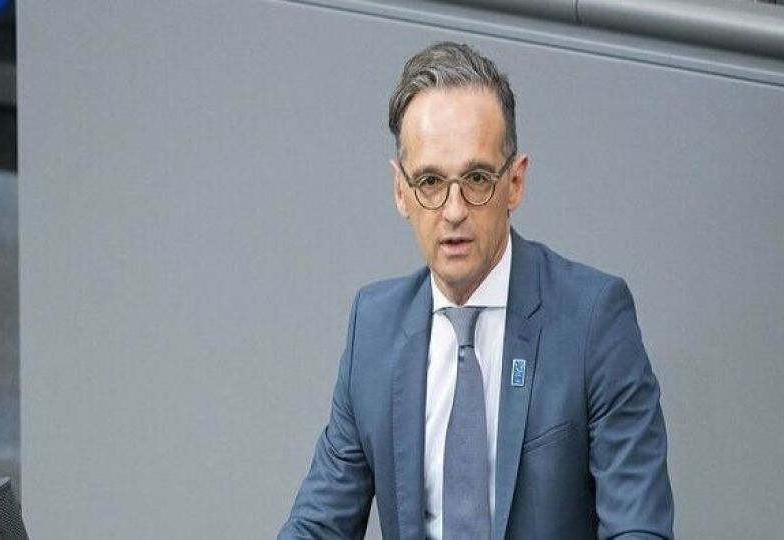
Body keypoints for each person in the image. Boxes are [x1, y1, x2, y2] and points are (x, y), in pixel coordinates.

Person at [279, 42, 673, 540]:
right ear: (401, 191)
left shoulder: (594, 320)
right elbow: (318, 525)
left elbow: (638, 528)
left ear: (515, 182)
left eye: (477, 178)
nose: (453, 210)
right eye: (430, 181)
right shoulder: (374, 329)